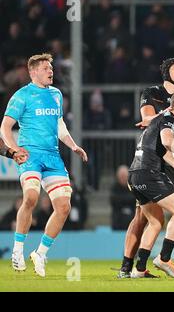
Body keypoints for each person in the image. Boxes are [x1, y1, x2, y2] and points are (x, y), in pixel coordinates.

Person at [0, 53, 88, 277]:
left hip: (53, 157)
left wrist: (73, 145)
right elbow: (5, 127)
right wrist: (13, 150)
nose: (51, 71)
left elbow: (60, 126)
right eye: (46, 68)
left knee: (64, 207)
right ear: (33, 72)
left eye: (51, 68)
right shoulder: (22, 95)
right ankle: (18, 250)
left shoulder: (56, 94)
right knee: (30, 197)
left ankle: (40, 253)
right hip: (31, 155)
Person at [118, 58, 174, 278]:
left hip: (169, 159)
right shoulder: (152, 93)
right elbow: (148, 119)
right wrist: (166, 115)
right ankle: (129, 265)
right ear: (166, 72)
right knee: (143, 217)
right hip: (153, 159)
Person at [110, 165, 136, 230]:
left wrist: (122, 199)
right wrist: (128, 199)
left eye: (125, 176)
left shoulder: (132, 186)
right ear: (118, 177)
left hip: (132, 215)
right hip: (118, 217)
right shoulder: (114, 187)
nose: (123, 178)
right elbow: (114, 200)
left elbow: (136, 199)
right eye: (121, 176)